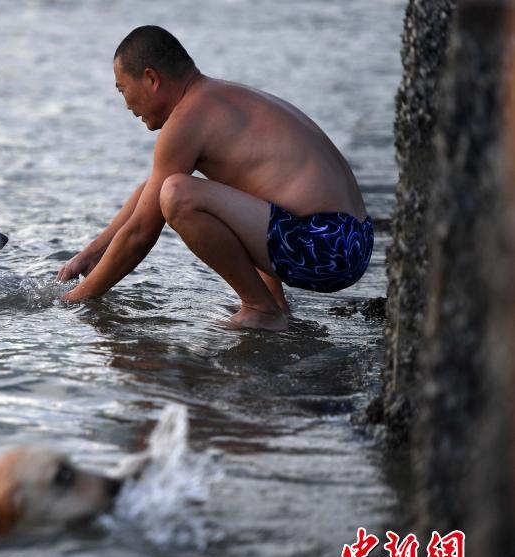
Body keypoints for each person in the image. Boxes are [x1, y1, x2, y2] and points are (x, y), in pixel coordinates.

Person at [57, 25, 373, 331]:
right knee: (167, 187)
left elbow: (141, 232)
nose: (126, 104)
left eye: (123, 89)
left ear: (151, 78)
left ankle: (260, 309)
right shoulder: (216, 98)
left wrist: (76, 299)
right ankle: (275, 305)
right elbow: (150, 194)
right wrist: (91, 255)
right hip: (351, 241)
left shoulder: (187, 121)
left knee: (177, 194)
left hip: (327, 247)